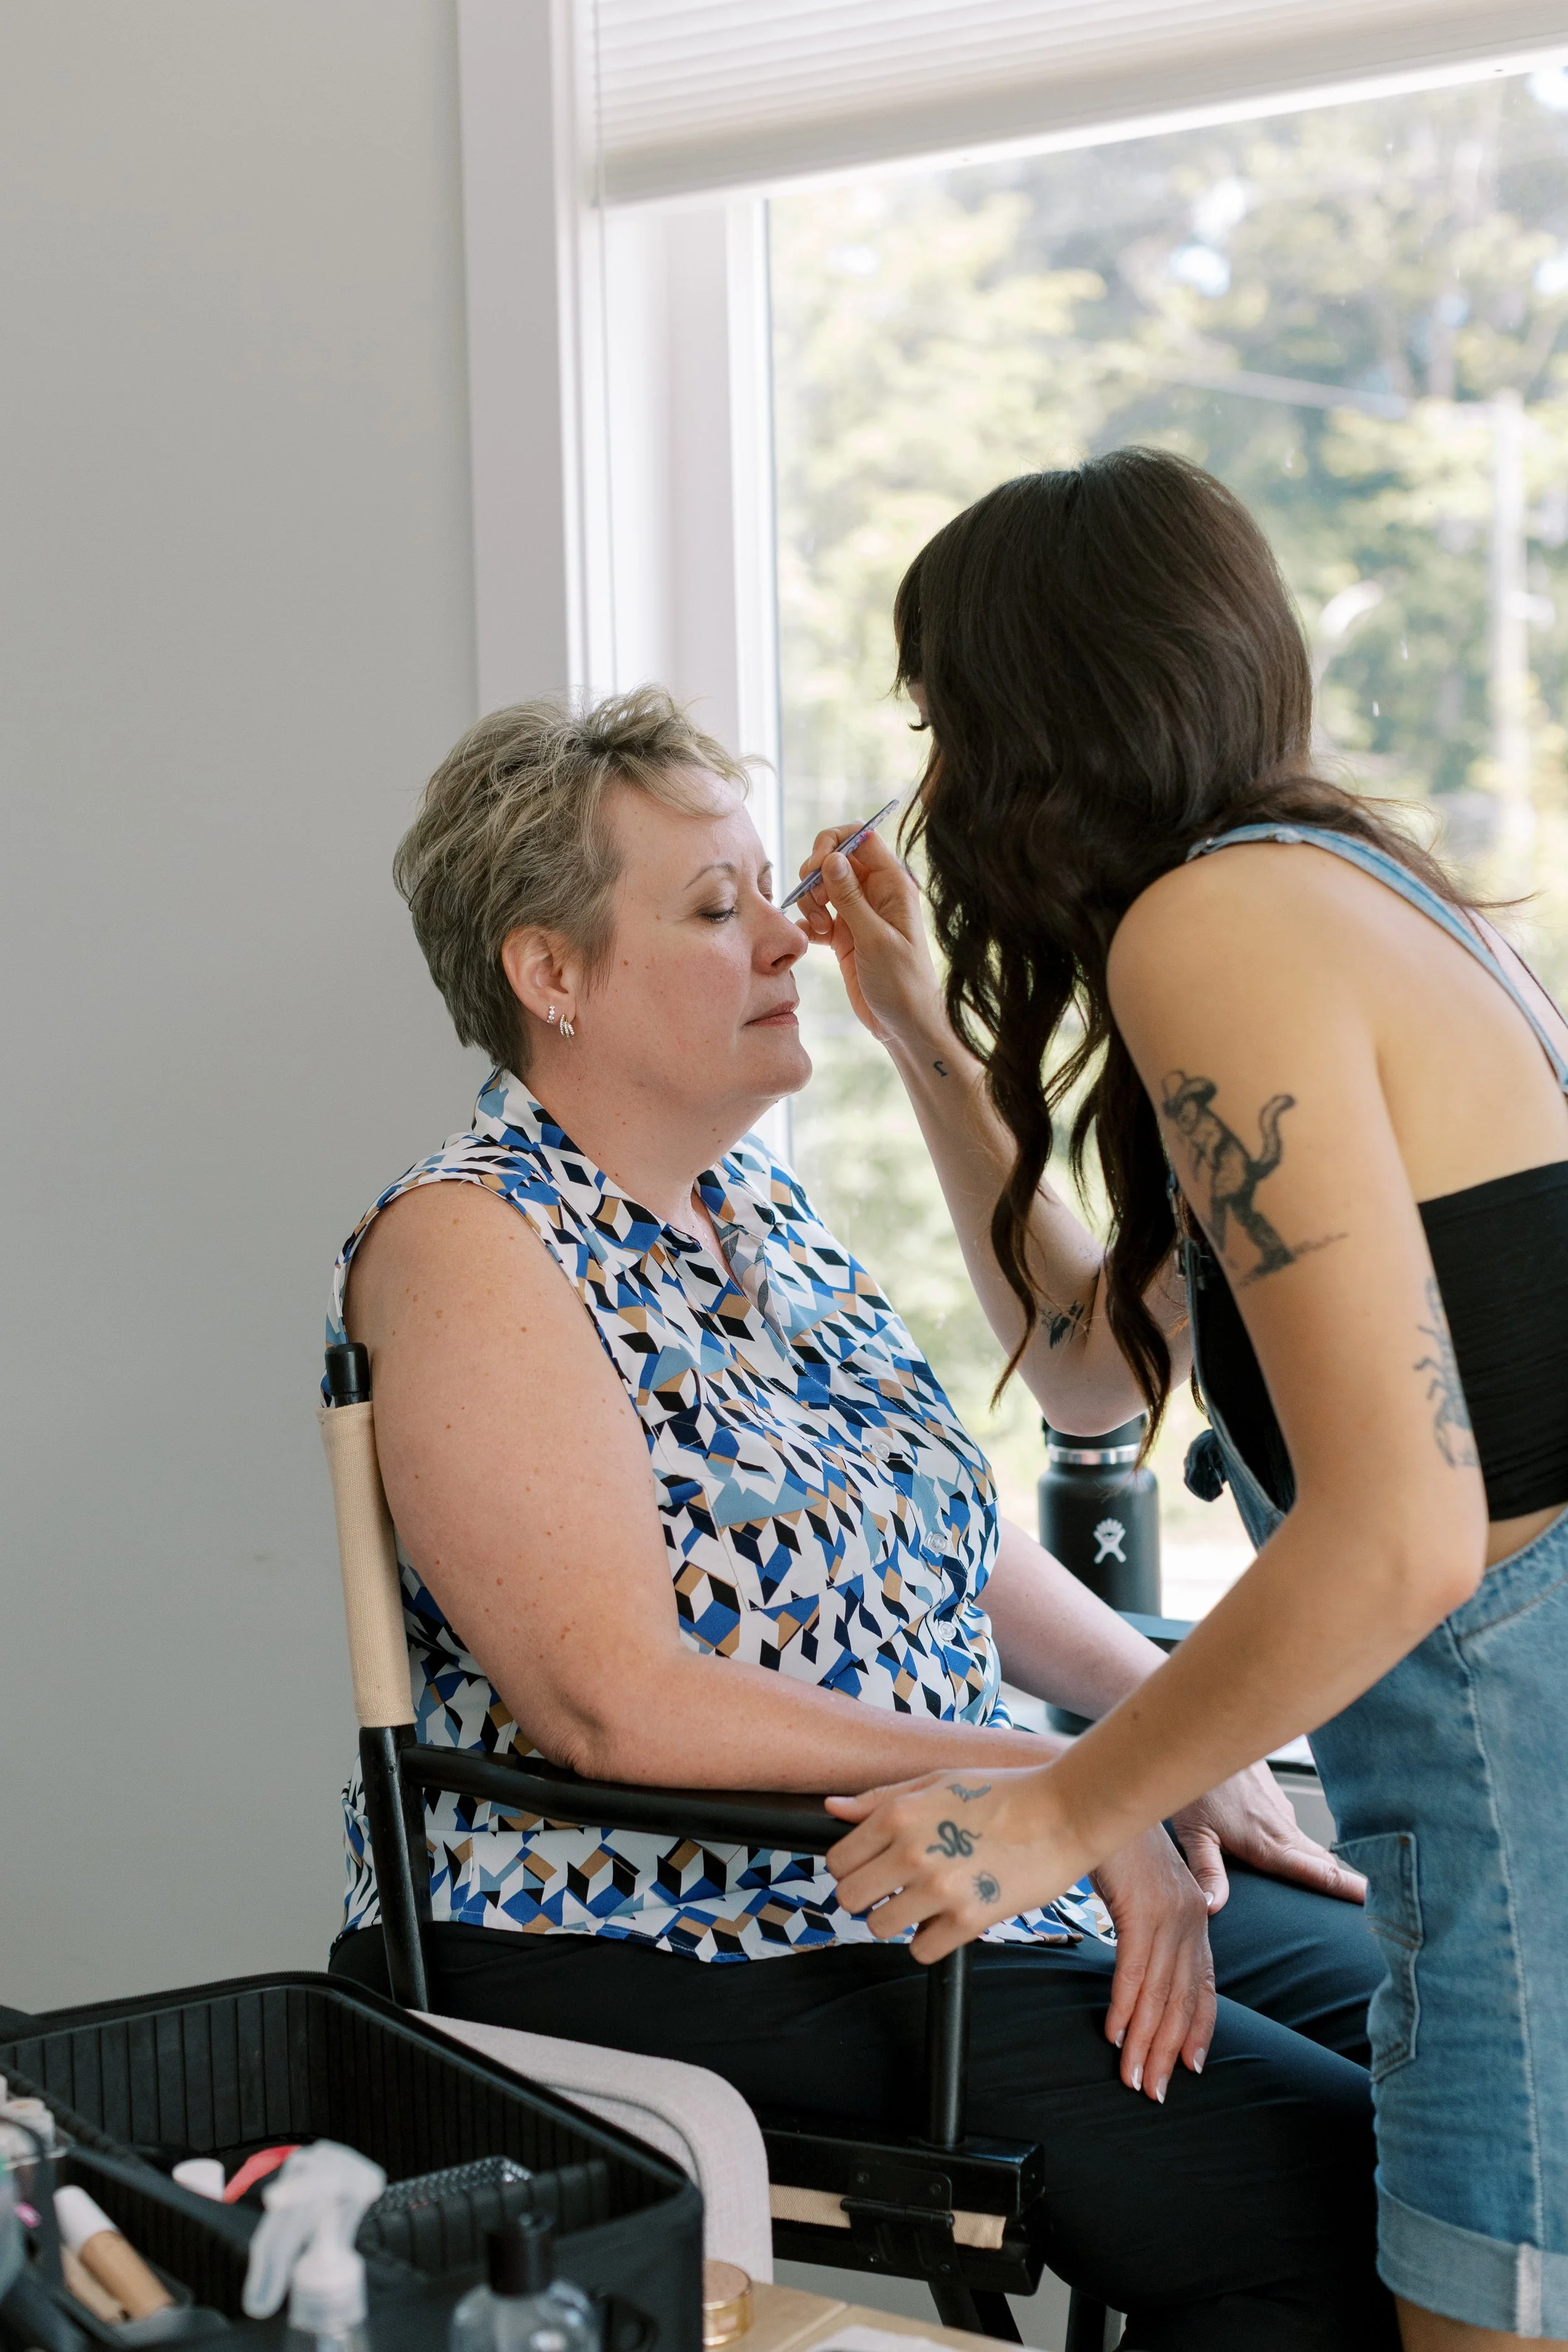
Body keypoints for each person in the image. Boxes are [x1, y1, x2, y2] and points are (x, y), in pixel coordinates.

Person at [326, 686, 1395, 2349]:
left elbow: (941, 1537)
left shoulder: (759, 1200)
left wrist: (1165, 1726)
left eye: (766, 887)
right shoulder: (471, 1244)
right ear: (551, 975)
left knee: (1455, 2066)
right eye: (712, 905)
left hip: (947, 1855)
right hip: (665, 1915)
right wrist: (1064, 1787)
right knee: (1331, 2200)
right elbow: (609, 1699)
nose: (782, 938)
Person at [804, 450, 1568, 2352]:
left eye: (945, 722)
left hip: (1511, 1779)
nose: (940, 783)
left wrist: (1057, 1810)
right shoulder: (1344, 891)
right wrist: (921, 1038)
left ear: (1037, 718)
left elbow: (1395, 1529)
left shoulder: (1213, 934)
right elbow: (1088, 1361)